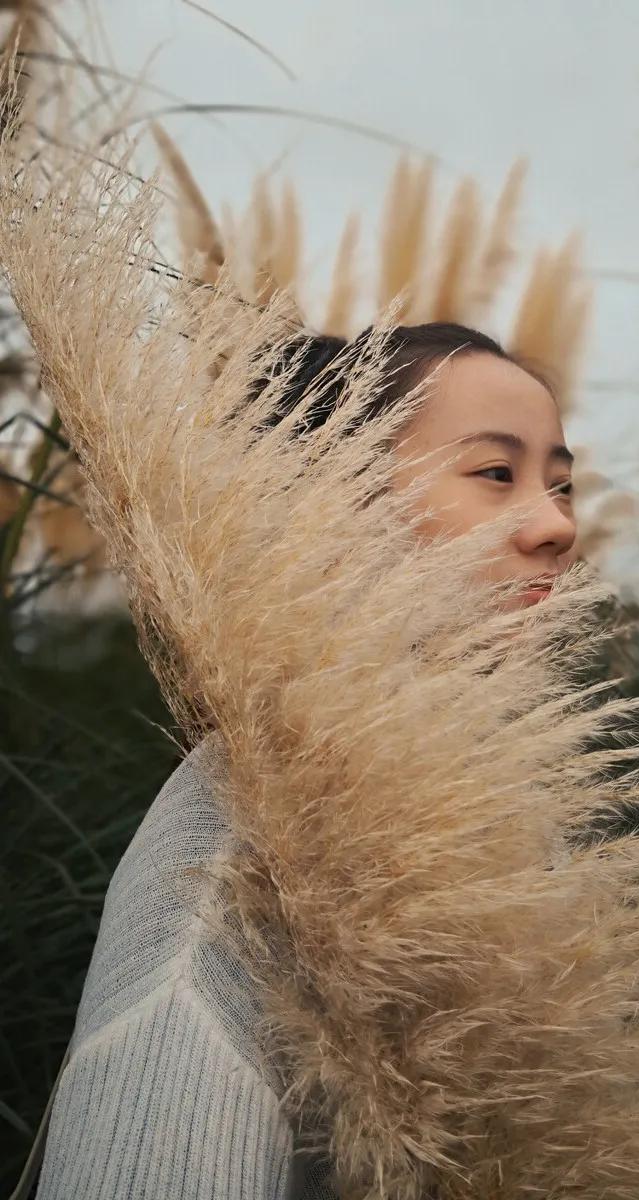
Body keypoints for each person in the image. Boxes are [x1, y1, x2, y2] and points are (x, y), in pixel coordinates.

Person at [29, 322, 577, 1200]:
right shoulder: (230, 884)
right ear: (326, 506)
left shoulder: (504, 819)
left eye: (562, 483)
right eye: (494, 474)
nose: (556, 525)